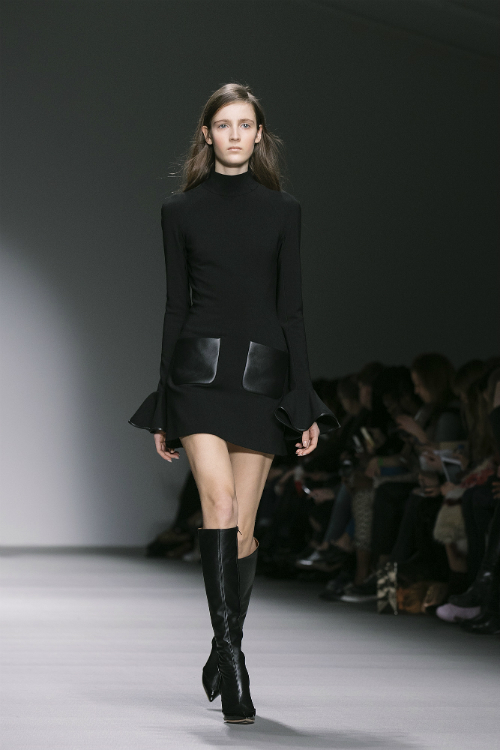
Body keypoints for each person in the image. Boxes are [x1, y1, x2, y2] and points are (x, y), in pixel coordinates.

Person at [128, 83, 339, 724]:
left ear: (259, 134)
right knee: (217, 505)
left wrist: (303, 395)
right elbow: (175, 306)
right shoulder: (178, 211)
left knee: (244, 530)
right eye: (224, 125)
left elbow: (292, 309)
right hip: (196, 378)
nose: (236, 135)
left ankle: (223, 648)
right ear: (207, 135)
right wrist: (164, 399)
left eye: (246, 124)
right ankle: (235, 659)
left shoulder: (284, 211)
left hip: (263, 379)